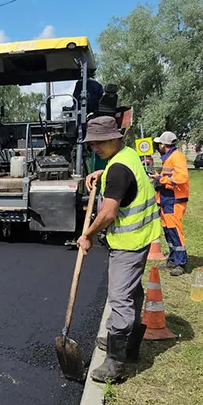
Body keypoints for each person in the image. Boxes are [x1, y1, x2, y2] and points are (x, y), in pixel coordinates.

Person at [78, 116, 163, 383]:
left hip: (128, 244)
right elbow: (123, 177)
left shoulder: (118, 170)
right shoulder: (127, 157)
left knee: (119, 299)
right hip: (142, 237)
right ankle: (130, 344)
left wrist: (87, 234)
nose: (95, 149)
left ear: (116, 138)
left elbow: (108, 213)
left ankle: (115, 363)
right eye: (92, 144)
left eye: (100, 142)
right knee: (132, 291)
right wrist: (101, 173)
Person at [150, 131, 190, 277]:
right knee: (168, 230)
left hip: (174, 200)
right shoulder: (168, 158)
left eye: (159, 144)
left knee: (175, 231)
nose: (157, 146)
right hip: (167, 199)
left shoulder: (176, 157)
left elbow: (182, 177)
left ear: (163, 144)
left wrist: (162, 179)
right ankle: (173, 259)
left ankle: (181, 262)